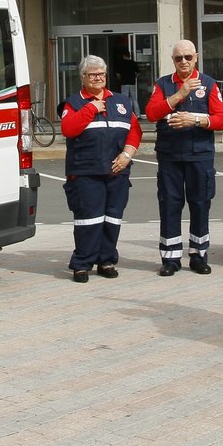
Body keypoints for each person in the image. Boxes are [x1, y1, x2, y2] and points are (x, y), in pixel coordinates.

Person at [145, 39, 223, 275]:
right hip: (170, 155)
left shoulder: (209, 85)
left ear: (196, 57)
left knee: (200, 203)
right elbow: (151, 113)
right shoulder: (163, 84)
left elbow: (221, 120)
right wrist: (178, 94)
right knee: (170, 204)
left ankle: (199, 255)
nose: (183, 62)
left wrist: (196, 119)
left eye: (188, 57)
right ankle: (170, 259)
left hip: (199, 155)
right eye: (179, 58)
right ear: (173, 60)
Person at [61, 54, 141, 282]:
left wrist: (127, 155)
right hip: (86, 172)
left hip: (117, 171)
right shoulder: (73, 103)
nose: (98, 78)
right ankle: (82, 264)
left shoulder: (121, 102)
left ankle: (106, 260)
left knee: (112, 218)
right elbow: (69, 128)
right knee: (89, 219)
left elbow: (134, 131)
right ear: (83, 77)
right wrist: (91, 108)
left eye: (101, 74)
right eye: (92, 74)